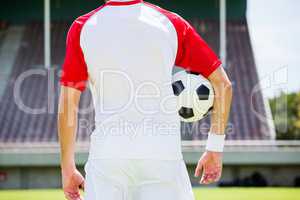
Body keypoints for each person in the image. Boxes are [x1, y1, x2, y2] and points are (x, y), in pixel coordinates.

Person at [58, 0, 232, 200]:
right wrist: (214, 148)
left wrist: (68, 168)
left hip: (108, 158)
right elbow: (223, 84)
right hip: (162, 155)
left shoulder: (83, 28)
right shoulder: (170, 23)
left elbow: (67, 104)